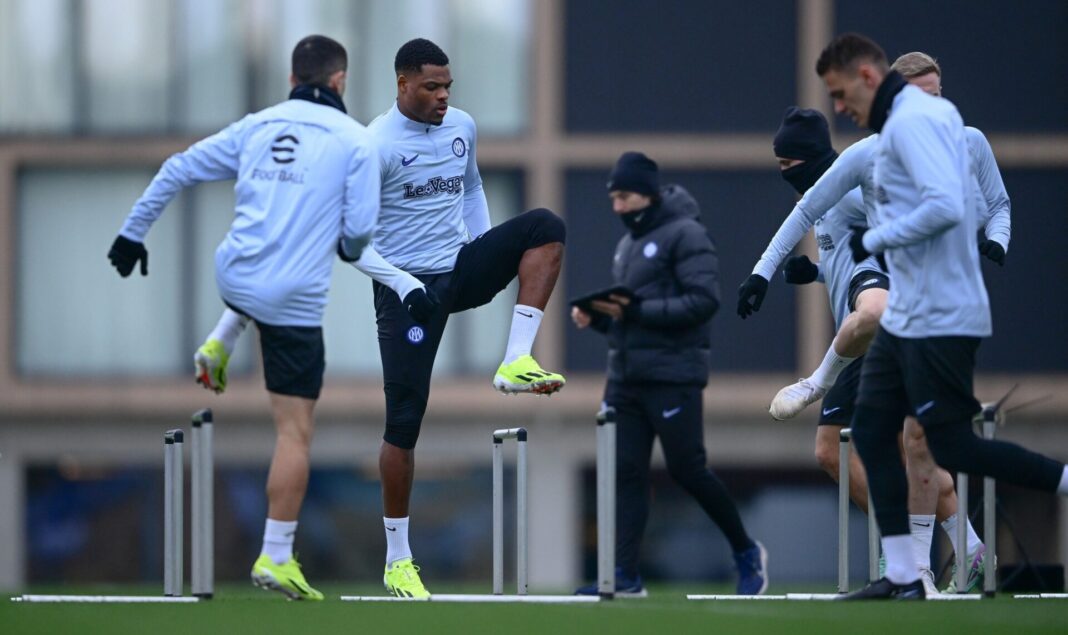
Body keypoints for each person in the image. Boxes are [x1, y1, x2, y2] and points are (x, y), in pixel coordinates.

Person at [195, 38, 567, 598]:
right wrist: (403, 283)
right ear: (402, 84)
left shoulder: (462, 126)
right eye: (431, 87)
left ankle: (516, 357)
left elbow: (472, 186)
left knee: (545, 226)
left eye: (448, 87)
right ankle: (398, 560)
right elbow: (353, 242)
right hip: (404, 291)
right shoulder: (372, 146)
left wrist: (481, 241)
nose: (443, 97)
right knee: (404, 424)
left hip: (458, 269)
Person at [108, 35, 379, 600]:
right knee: (295, 432)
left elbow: (177, 167)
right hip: (292, 300)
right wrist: (348, 247)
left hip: (233, 275)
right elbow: (356, 234)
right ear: (339, 82)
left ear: (291, 79)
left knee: (259, 273)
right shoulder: (356, 141)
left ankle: (219, 341)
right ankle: (276, 556)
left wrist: (132, 234)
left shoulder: (256, 125)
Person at [739, 50, 1013, 592]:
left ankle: (909, 565)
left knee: (907, 443)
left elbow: (903, 241)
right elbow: (829, 237)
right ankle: (966, 547)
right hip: (863, 328)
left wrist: (988, 238)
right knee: (838, 453)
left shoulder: (896, 169)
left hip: (887, 331)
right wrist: (800, 274)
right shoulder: (853, 173)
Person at [815, 32, 1068, 600]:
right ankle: (906, 574)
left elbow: (948, 207)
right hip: (909, 312)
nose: (837, 107)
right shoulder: (901, 131)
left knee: (952, 448)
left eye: (839, 92)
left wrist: (874, 236)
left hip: (943, 315)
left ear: (869, 78)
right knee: (875, 430)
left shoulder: (916, 125)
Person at [571, 152, 767, 596]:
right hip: (625, 379)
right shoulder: (627, 246)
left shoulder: (686, 233)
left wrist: (636, 310)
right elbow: (633, 318)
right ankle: (625, 576)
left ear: (648, 193)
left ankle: (746, 550)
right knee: (627, 474)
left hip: (673, 376)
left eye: (624, 196)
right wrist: (599, 317)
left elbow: (703, 302)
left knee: (688, 469)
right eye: (613, 198)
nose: (618, 207)